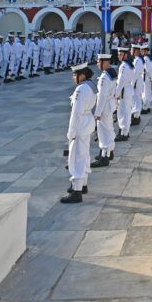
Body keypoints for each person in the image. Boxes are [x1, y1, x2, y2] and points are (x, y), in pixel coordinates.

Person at [61, 63, 97, 204]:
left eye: (75, 74)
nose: (73, 77)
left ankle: (77, 190)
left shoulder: (81, 89)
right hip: (87, 122)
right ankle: (83, 184)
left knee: (76, 158)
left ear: (82, 75)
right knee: (84, 155)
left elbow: (75, 113)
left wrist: (71, 133)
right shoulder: (90, 86)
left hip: (80, 125)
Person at [92, 53, 118, 167]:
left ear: (106, 62)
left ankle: (104, 156)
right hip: (110, 104)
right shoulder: (111, 72)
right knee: (109, 129)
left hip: (104, 107)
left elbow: (101, 96)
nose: (97, 63)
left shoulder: (104, 77)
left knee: (103, 132)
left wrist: (97, 113)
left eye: (99, 61)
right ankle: (110, 152)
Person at [114, 47, 134, 141]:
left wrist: (116, 93)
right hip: (128, 90)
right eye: (118, 54)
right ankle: (125, 131)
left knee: (122, 113)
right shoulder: (129, 65)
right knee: (127, 112)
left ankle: (123, 133)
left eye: (120, 54)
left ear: (125, 55)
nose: (118, 56)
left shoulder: (123, 66)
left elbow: (121, 81)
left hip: (123, 91)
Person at [141, 43, 152, 115]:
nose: (141, 52)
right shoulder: (149, 57)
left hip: (145, 77)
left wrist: (151, 77)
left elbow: (147, 69)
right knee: (148, 93)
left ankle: (145, 108)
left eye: (143, 51)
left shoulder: (145, 59)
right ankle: (148, 107)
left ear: (145, 51)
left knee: (145, 93)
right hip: (148, 78)